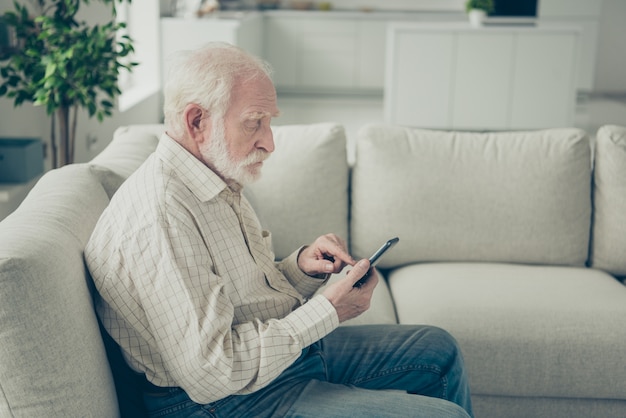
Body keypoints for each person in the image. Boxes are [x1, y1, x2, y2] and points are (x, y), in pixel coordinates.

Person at [85, 42, 474, 418]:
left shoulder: (214, 178)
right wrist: (327, 310)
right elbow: (213, 373)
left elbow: (242, 298)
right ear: (197, 121)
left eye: (269, 122)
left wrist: (301, 269)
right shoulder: (164, 216)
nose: (269, 142)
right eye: (255, 122)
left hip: (272, 365)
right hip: (222, 402)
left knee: (439, 349)